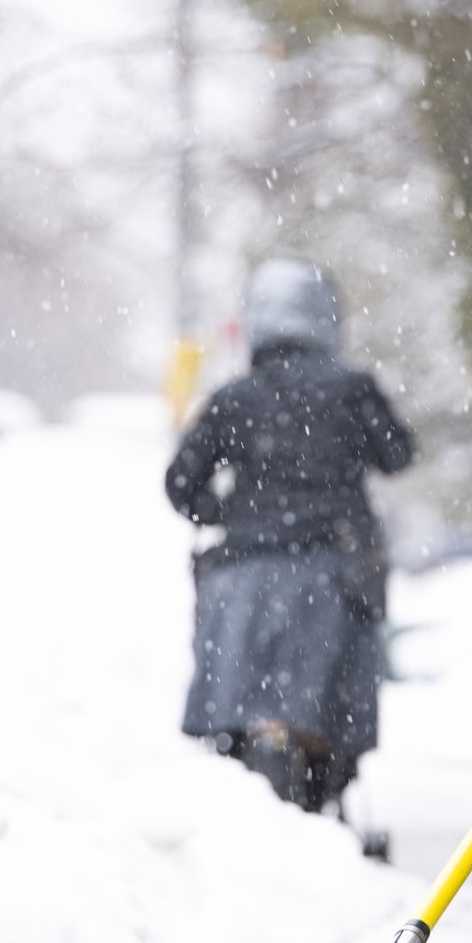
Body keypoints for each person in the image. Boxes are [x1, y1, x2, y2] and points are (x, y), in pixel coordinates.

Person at [165, 256, 413, 817]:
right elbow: (397, 454)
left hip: (242, 583)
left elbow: (180, 482)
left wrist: (228, 512)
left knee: (238, 721)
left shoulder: (234, 397)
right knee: (327, 717)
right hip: (332, 573)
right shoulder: (352, 388)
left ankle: (254, 806)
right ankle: (321, 799)